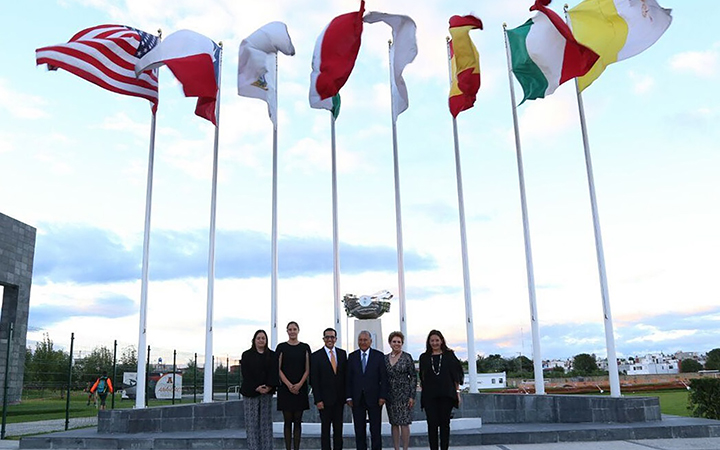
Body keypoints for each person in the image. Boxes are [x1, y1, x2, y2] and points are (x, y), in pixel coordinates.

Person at [418, 330, 464, 450]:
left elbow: (456, 375)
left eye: (437, 340)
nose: (435, 343)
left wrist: (457, 393)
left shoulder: (449, 355)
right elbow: (422, 378)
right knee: (432, 425)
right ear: (429, 342)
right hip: (430, 396)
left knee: (445, 425)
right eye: (432, 340)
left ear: (442, 341)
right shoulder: (424, 357)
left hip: (446, 395)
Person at [346, 330, 388, 450]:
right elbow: (348, 379)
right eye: (360, 340)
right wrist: (348, 397)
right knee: (359, 430)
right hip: (357, 399)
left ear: (370, 341)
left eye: (365, 340)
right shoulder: (352, 357)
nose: (363, 342)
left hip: (375, 399)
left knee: (375, 430)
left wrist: (382, 396)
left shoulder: (379, 356)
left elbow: (383, 378)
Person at [241, 329, 279, 450]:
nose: (261, 340)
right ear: (254, 340)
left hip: (266, 393)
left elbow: (274, 372)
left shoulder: (272, 355)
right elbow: (246, 374)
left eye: (263, 338)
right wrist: (256, 387)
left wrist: (269, 386)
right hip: (250, 393)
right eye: (259, 338)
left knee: (265, 424)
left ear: (266, 340)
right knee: (251, 424)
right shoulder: (246, 355)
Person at [276, 321, 311, 450]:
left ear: (298, 330)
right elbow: (278, 368)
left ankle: (296, 448)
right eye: (290, 329)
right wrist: (289, 385)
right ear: (287, 331)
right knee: (287, 421)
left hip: (300, 390)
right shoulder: (281, 347)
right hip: (285, 390)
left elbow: (307, 369)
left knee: (297, 421)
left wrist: (299, 385)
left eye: (294, 329)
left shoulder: (305, 347)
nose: (292, 331)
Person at [310, 327, 347, 450]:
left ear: (336, 339)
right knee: (325, 430)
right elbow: (314, 380)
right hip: (324, 401)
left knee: (338, 430)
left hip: (339, 400)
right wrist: (318, 400)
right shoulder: (316, 356)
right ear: (323, 339)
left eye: (332, 337)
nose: (329, 339)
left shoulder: (342, 354)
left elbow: (345, 377)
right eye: (327, 337)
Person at [384, 331, 417, 450]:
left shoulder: (407, 357)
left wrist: (412, 396)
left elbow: (413, 376)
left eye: (399, 342)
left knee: (404, 422)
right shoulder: (385, 358)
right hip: (390, 395)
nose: (396, 344)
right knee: (394, 423)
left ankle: (405, 448)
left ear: (402, 343)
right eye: (394, 341)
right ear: (390, 343)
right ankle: (396, 448)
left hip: (404, 395)